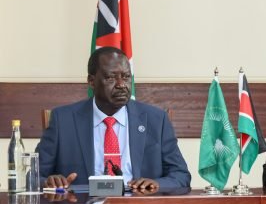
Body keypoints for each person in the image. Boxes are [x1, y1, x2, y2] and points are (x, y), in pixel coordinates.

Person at [36, 47, 191, 190]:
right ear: (91, 81)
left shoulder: (156, 120)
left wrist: (156, 184)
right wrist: (48, 181)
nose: (121, 85)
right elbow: (33, 177)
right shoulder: (63, 120)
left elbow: (181, 175)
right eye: (111, 78)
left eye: (126, 77)